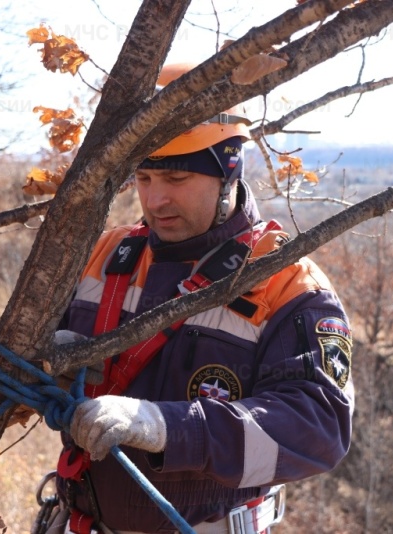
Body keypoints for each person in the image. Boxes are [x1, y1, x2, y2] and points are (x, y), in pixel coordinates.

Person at [40, 62, 354, 534]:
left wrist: (168, 428)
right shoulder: (107, 255)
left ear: (228, 172)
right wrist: (48, 365)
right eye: (145, 178)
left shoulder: (285, 283)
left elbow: (320, 429)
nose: (156, 200)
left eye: (178, 180)